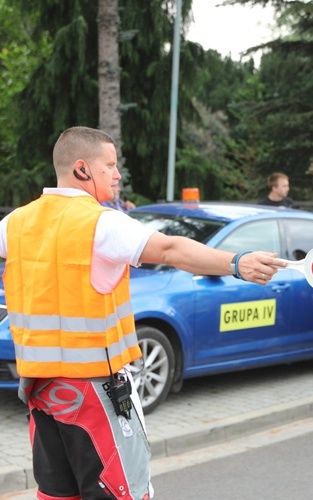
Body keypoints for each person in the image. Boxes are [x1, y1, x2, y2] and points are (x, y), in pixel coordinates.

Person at [0, 126, 286, 500]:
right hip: (94, 395)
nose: (117, 175)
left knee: (57, 494)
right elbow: (169, 249)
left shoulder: (15, 223)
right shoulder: (99, 222)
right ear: (83, 169)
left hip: (41, 391)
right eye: (111, 165)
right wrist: (236, 262)